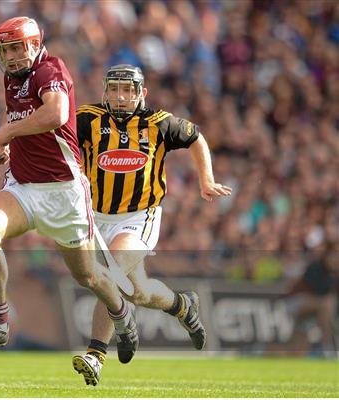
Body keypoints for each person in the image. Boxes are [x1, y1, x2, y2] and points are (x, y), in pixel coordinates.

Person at [0, 18, 138, 357]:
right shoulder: (11, 79)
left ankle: (121, 311)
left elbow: (56, 114)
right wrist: (10, 145)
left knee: (87, 276)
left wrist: (7, 133)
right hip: (24, 187)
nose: (12, 56)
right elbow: (24, 122)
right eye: (6, 50)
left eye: (18, 47)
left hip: (63, 191)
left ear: (34, 44)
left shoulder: (50, 69)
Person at [72, 64, 232, 385]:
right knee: (138, 292)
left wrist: (206, 180)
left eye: (127, 90)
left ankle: (96, 353)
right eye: (114, 89)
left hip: (138, 216)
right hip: (96, 217)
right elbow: (51, 138)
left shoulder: (158, 123)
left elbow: (197, 138)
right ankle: (182, 305)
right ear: (105, 91)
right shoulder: (87, 118)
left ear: (141, 92)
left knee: (111, 274)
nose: (120, 96)